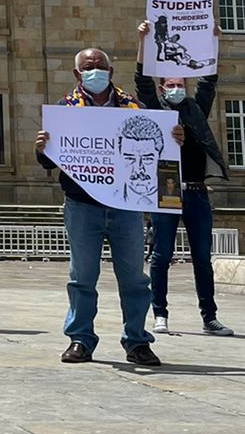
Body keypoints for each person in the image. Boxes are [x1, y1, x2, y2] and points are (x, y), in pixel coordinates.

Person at [34, 46, 180, 366]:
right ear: (77, 74)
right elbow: (48, 161)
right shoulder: (65, 109)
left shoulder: (134, 108)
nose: (95, 70)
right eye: (89, 66)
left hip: (125, 206)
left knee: (134, 278)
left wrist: (174, 138)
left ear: (111, 72)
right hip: (82, 204)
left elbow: (158, 152)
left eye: (101, 66)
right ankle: (80, 339)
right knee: (82, 277)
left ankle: (137, 340)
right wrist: (43, 148)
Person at [134, 21, 234, 337]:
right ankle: (160, 314)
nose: (177, 87)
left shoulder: (195, 109)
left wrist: (212, 44)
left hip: (196, 189)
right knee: (161, 255)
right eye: (171, 83)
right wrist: (143, 42)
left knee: (202, 258)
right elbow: (141, 83)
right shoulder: (155, 108)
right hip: (167, 188)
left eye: (181, 83)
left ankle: (209, 317)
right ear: (164, 87)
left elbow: (209, 82)